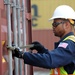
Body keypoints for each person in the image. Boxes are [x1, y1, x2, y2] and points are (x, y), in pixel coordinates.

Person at [12, 5, 75, 75]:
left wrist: (23, 55)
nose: (53, 27)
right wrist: (41, 50)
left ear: (66, 25)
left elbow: (50, 60)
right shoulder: (68, 44)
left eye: (55, 24)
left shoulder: (69, 45)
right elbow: (57, 59)